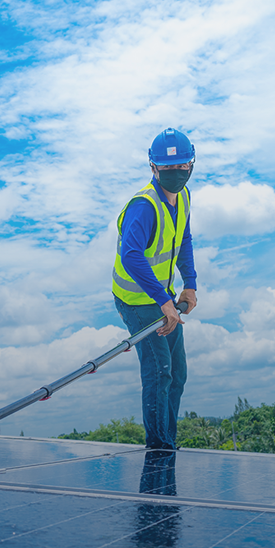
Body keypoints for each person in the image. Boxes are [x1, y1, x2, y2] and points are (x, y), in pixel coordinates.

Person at [111, 128, 198, 450]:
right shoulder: (144, 206)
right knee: (159, 371)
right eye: (168, 169)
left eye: (182, 167)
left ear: (191, 164)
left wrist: (190, 284)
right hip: (136, 301)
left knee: (177, 373)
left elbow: (183, 239)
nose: (176, 174)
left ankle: (168, 440)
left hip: (164, 299)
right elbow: (131, 256)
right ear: (153, 168)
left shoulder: (184, 196)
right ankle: (159, 447)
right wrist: (163, 301)